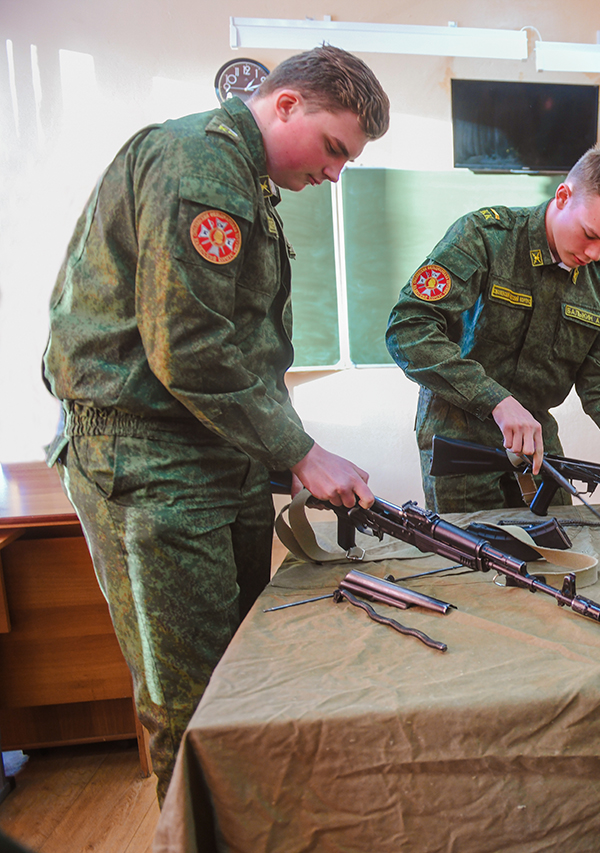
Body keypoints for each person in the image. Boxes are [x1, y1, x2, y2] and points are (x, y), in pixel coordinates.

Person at [41, 45, 390, 802]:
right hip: (152, 460)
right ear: (287, 103)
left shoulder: (244, 181)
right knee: (192, 698)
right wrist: (300, 452)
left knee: (240, 674)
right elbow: (190, 348)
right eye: (334, 149)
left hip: (210, 452)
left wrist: (286, 451)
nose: (334, 174)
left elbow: (244, 350)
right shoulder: (199, 163)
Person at [386, 145, 600, 512]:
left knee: (564, 549)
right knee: (472, 558)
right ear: (563, 196)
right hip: (460, 440)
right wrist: (497, 401)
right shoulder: (486, 237)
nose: (595, 253)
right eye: (589, 234)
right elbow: (409, 330)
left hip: (536, 446)